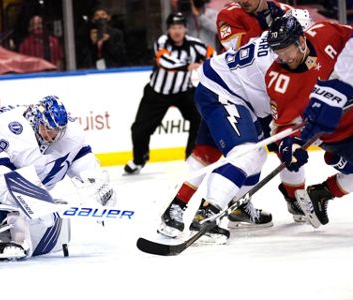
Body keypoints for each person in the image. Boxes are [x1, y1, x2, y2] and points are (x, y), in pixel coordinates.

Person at [158, 9, 315, 241]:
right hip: (222, 92)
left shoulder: (277, 42)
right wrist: (288, 142)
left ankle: (180, 207)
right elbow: (278, 118)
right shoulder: (278, 64)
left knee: (220, 153)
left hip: (232, 90)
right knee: (246, 153)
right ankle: (206, 215)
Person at [0, 95, 116, 260]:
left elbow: (78, 156)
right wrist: (31, 198)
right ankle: (0, 233)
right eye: (47, 129)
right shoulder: (11, 127)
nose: (52, 136)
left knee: (39, 217)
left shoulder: (69, 131)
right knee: (41, 223)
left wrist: (96, 183)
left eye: (57, 131)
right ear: (36, 122)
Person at [264, 15, 353, 228]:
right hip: (335, 134)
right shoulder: (277, 79)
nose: (284, 58)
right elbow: (285, 126)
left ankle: (321, 193)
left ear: (301, 41)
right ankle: (332, 173)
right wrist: (290, 145)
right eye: (278, 53)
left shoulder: (325, 33)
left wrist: (344, 80)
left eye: (287, 51)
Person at [124, 12, 209, 175]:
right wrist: (187, 66)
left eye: (180, 27)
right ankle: (139, 160)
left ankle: (191, 156)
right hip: (157, 92)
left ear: (185, 28)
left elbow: (212, 55)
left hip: (184, 92)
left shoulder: (195, 45)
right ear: (168, 29)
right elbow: (164, 62)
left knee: (199, 118)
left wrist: (207, 62)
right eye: (173, 27)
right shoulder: (161, 42)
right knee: (139, 129)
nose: (177, 31)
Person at [217, 0, 292, 51]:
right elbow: (236, 50)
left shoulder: (284, 9)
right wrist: (260, 27)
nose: (244, 1)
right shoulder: (227, 15)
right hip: (241, 71)